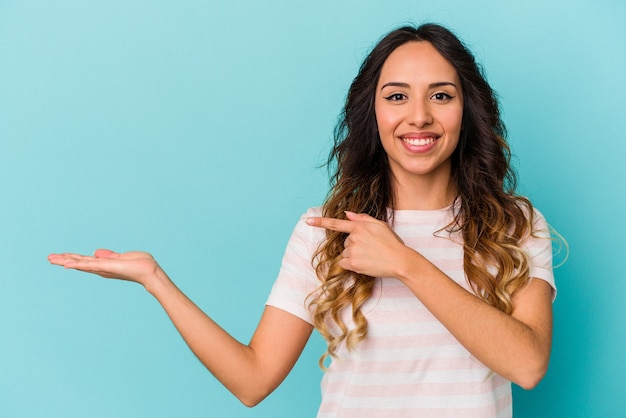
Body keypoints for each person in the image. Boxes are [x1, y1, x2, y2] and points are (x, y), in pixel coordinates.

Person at [49, 23, 557, 417]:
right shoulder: (327, 231)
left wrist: (406, 264)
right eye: (397, 95)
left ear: (467, 111)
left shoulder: (513, 224)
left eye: (441, 95)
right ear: (372, 113)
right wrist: (156, 280)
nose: (419, 116)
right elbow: (253, 380)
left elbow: (528, 364)